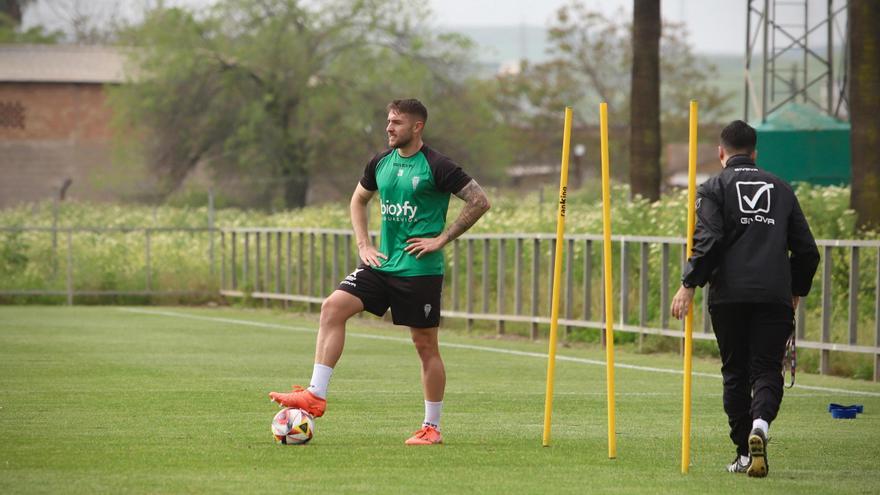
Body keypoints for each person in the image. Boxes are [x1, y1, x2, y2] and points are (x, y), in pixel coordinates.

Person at [269, 98, 491, 445]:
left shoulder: (438, 166)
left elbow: (479, 201)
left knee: (425, 345)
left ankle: (431, 427)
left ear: (417, 127)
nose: (389, 127)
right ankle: (315, 394)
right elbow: (358, 200)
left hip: (419, 271)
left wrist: (442, 238)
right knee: (333, 308)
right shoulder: (380, 163)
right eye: (388, 121)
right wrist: (363, 245)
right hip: (380, 264)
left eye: (397, 122)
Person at [670, 120, 819, 477]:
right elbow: (808, 251)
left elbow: (709, 241)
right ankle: (761, 427)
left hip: (729, 297)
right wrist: (796, 290)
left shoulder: (713, 187)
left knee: (735, 372)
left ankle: (742, 452)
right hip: (773, 296)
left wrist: (689, 284)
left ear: (721, 153)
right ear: (755, 153)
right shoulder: (782, 189)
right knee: (767, 368)